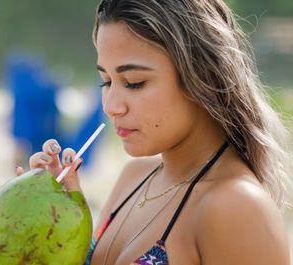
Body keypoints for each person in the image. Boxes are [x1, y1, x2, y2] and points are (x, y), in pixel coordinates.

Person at [18, 0, 292, 264]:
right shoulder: (133, 178)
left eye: (134, 83)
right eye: (106, 82)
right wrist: (54, 222)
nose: (111, 106)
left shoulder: (236, 207)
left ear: (204, 77)